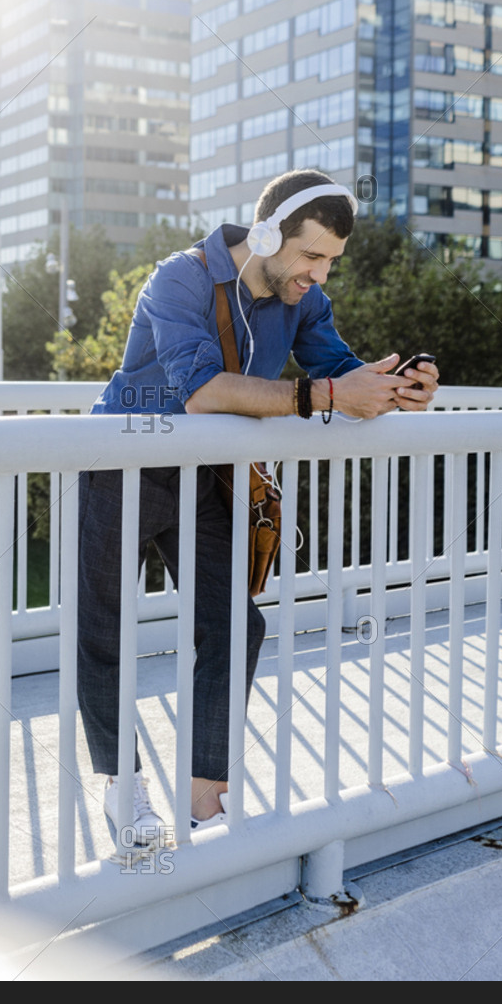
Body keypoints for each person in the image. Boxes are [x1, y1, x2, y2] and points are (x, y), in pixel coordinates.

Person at [80, 169, 440, 849]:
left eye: (332, 261)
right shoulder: (179, 279)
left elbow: (337, 370)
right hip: (119, 463)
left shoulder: (302, 301)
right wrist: (325, 397)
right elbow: (201, 390)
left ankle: (202, 803)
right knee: (104, 633)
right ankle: (123, 794)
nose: (322, 276)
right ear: (269, 233)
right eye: (312, 257)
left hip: (202, 476)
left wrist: (398, 388)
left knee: (235, 626)